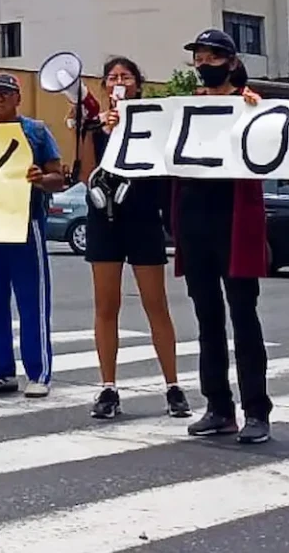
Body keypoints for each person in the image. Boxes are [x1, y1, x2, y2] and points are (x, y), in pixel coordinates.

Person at [158, 30, 273, 444]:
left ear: (229, 61)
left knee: (244, 316)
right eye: (199, 56)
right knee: (207, 318)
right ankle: (218, 406)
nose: (203, 63)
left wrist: (254, 114)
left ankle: (256, 410)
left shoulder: (248, 104)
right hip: (193, 219)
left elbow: (268, 150)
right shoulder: (184, 109)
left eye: (211, 56)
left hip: (233, 218)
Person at [79, 56, 188, 421]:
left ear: (138, 86)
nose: (118, 82)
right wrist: (98, 129)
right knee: (106, 306)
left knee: (155, 303)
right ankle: (108, 387)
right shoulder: (95, 126)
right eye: (112, 77)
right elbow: (85, 175)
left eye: (125, 76)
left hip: (142, 216)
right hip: (103, 219)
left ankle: (173, 386)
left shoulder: (151, 122)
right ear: (105, 87)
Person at [0, 72, 66, 398]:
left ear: (17, 98)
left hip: (24, 223)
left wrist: (41, 178)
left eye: (5, 94)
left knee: (31, 300)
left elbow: (58, 177)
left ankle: (38, 372)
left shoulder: (35, 131)